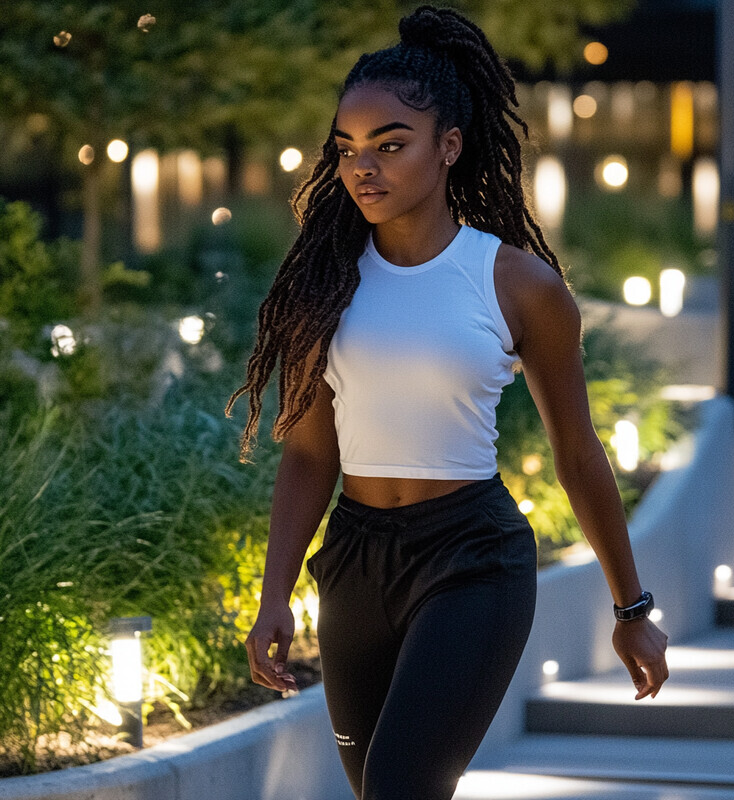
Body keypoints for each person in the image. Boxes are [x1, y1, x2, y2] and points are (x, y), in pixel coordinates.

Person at [225, 5, 669, 799]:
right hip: (356, 561)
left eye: (391, 145)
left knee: (399, 787)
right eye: (348, 149)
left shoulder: (519, 285)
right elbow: (307, 453)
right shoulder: (321, 286)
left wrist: (630, 606)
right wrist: (273, 600)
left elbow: (578, 451)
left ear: (449, 147)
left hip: (473, 560)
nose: (365, 167)